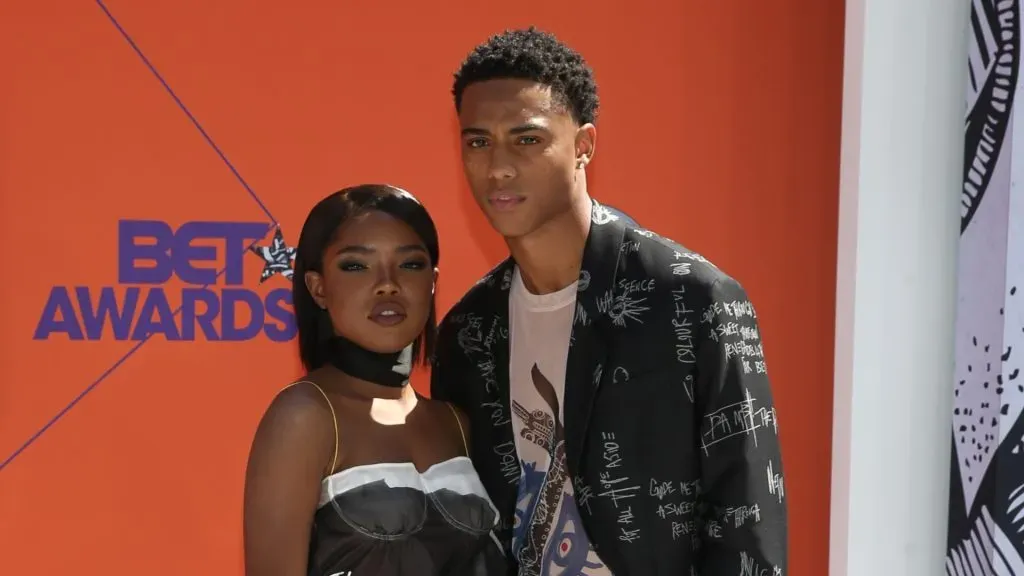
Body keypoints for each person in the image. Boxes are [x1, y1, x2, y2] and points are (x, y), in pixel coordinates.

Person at [431, 28, 788, 575]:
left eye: (526, 139)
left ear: (584, 145)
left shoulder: (694, 298)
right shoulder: (468, 330)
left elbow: (748, 525)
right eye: (478, 141)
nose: (497, 166)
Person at [243, 185, 508, 576]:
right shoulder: (304, 417)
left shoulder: (455, 421)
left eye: (410, 264)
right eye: (356, 265)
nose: (387, 284)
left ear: (433, 281)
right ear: (317, 288)